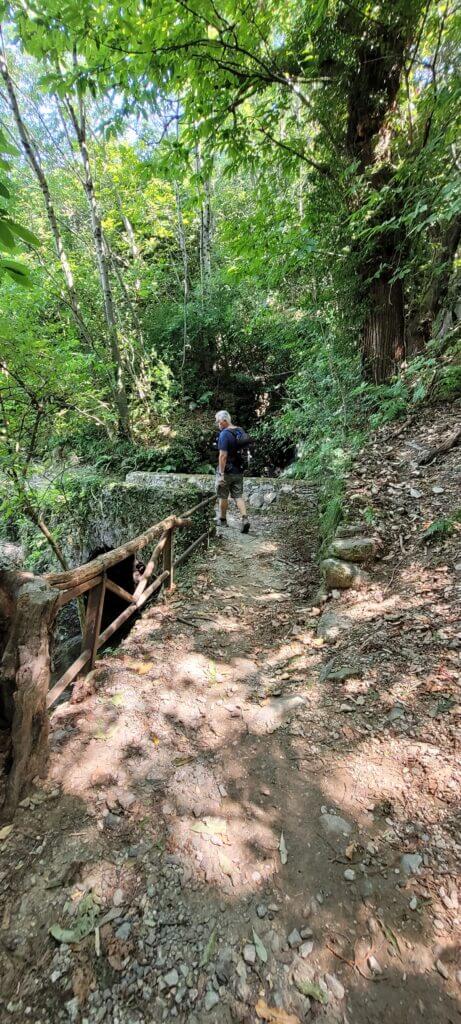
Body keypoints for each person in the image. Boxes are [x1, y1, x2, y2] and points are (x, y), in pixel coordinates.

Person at [215, 411, 250, 533]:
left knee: (222, 495)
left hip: (227, 471)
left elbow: (223, 456)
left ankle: (223, 520)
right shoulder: (240, 430)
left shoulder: (224, 434)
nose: (217, 424)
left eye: (218, 421)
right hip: (239, 470)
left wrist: (221, 473)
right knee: (238, 496)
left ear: (224, 421)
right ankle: (245, 518)